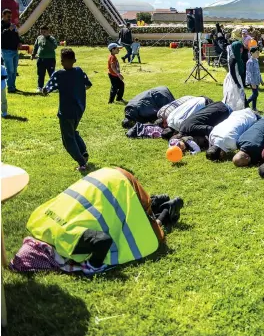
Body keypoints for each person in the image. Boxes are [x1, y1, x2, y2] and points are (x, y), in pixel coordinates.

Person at [24, 167, 183, 270]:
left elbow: (103, 241)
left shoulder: (69, 242)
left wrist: (93, 265)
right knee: (123, 208)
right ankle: (152, 202)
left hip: (121, 184)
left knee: (150, 235)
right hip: (105, 177)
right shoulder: (38, 221)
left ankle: (165, 211)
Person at [41, 48, 92, 171]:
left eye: (63, 61)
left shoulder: (59, 74)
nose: (63, 63)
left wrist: (44, 90)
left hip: (65, 112)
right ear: (74, 60)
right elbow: (88, 85)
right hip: (79, 109)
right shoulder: (79, 71)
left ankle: (82, 163)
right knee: (72, 131)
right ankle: (83, 151)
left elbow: (47, 88)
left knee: (67, 139)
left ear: (62, 61)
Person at [32, 25, 58, 92]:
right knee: (40, 74)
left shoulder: (52, 39)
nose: (43, 33)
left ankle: (54, 87)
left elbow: (54, 47)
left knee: (51, 73)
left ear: (48, 31)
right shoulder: (39, 38)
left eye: (44, 32)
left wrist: (47, 38)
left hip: (50, 59)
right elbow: (36, 46)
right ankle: (40, 87)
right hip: (40, 59)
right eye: (41, 32)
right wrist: (33, 54)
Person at [1, 9, 20, 93]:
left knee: (14, 70)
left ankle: (13, 86)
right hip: (6, 51)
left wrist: (20, 42)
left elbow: (16, 35)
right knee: (10, 70)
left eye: (10, 17)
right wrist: (9, 30)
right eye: (8, 16)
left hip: (15, 51)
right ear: (3, 15)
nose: (10, 18)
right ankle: (10, 87)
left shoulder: (11, 25)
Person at [223, 41, 246, 111]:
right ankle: (231, 108)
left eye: (242, 48)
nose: (241, 50)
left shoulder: (238, 56)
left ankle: (241, 106)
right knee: (232, 93)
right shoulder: (232, 59)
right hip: (233, 79)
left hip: (238, 77)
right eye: (240, 48)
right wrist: (236, 82)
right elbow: (232, 72)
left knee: (240, 93)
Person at [245, 47, 264, 112]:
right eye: (256, 52)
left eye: (258, 52)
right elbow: (249, 73)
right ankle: (245, 103)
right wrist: (252, 83)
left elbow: (258, 72)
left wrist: (261, 80)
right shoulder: (250, 62)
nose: (258, 54)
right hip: (252, 81)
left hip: (257, 80)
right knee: (255, 94)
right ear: (251, 53)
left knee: (255, 95)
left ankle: (254, 107)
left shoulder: (256, 60)